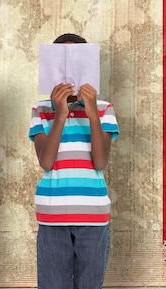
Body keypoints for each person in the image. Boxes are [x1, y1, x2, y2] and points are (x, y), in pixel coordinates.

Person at [29, 33, 120, 289]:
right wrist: (60, 115)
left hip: (93, 216)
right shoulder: (41, 110)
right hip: (51, 216)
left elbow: (100, 162)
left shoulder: (104, 108)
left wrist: (92, 115)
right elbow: (46, 162)